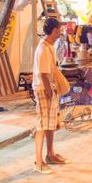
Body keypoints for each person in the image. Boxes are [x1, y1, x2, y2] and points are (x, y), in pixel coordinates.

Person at [32, 17, 69, 173]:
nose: (61, 33)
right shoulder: (43, 48)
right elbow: (44, 74)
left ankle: (50, 154)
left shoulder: (50, 47)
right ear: (54, 31)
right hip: (43, 90)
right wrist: (48, 92)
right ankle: (39, 162)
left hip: (50, 89)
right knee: (42, 125)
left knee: (50, 123)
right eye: (59, 30)